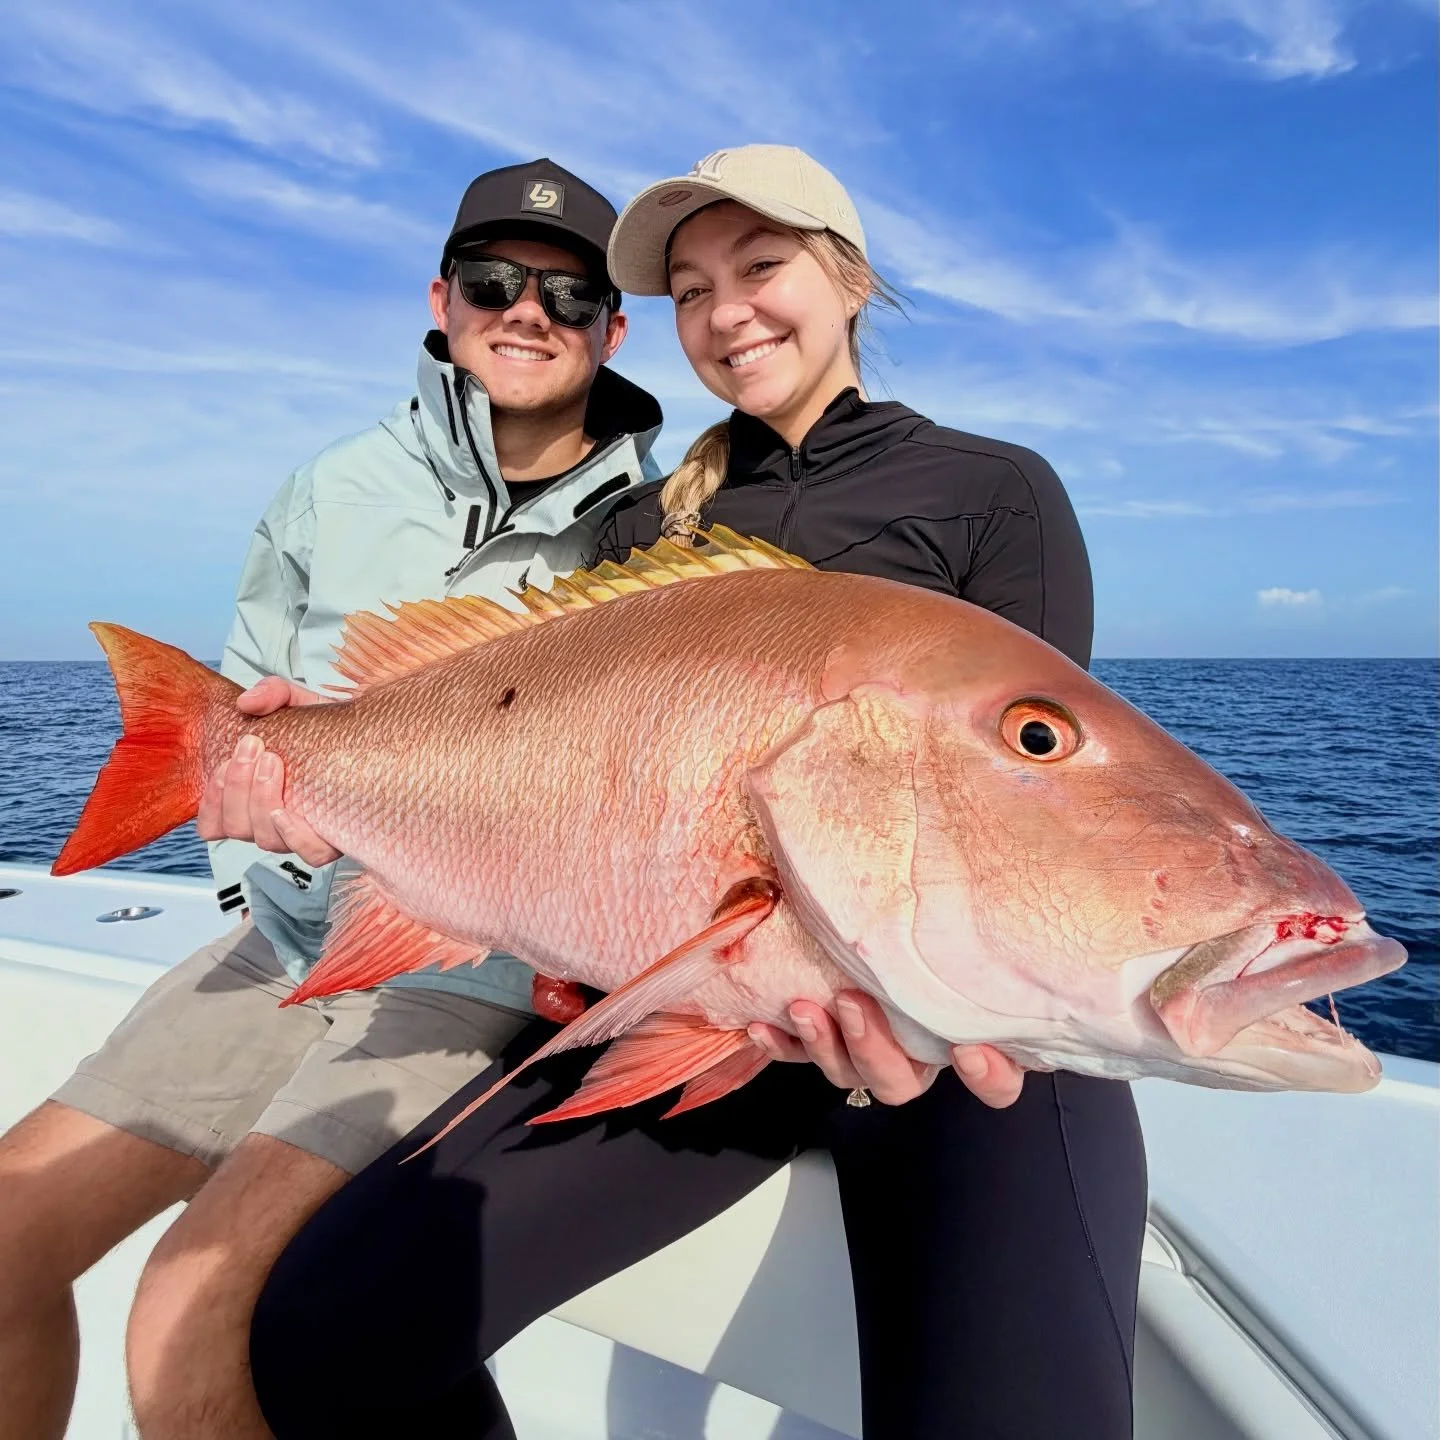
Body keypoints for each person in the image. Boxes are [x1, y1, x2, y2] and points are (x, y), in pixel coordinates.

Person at [248, 146, 1148, 1439]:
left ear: (848, 281)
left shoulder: (986, 489)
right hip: (702, 1017)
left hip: (970, 1039)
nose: (727, 313)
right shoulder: (642, 534)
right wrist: (328, 777)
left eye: (762, 267)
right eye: (689, 289)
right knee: (320, 1336)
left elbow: (1038, 793)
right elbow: (559, 807)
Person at [0, 158, 666, 1440]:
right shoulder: (332, 482)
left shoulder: (650, 527)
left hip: (460, 970)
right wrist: (250, 817)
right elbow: (250, 691)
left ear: (610, 329)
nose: (526, 313)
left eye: (568, 296)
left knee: (190, 1313)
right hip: (285, 933)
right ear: (442, 298)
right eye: (493, 283)